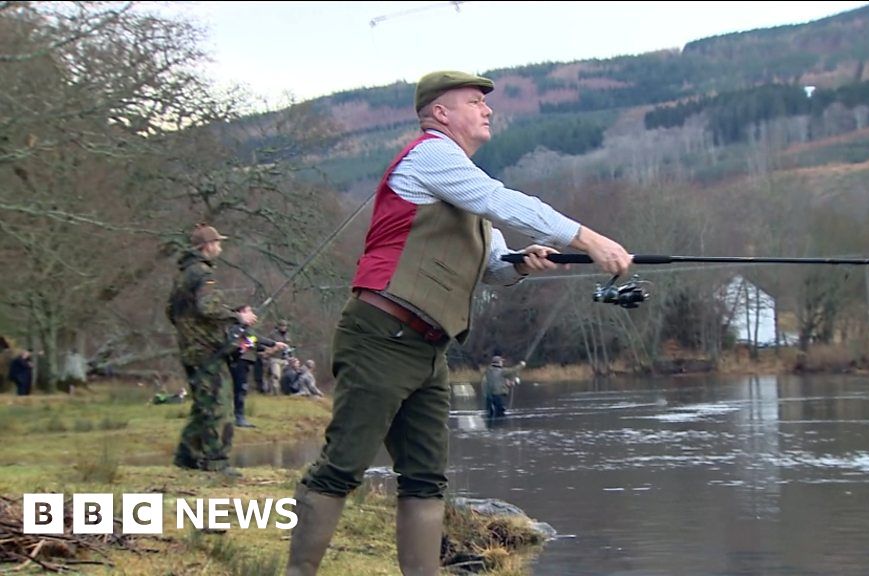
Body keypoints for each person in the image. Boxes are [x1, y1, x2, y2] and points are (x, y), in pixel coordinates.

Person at [285, 70, 632, 576]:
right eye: (475, 101)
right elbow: (503, 200)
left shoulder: (464, 190)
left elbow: (492, 269)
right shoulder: (430, 155)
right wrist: (589, 239)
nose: (488, 109)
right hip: (382, 335)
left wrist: (522, 263)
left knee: (426, 480)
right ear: (440, 113)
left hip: (429, 349)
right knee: (343, 466)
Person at [166, 223, 284, 476]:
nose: (220, 247)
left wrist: (192, 332)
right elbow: (208, 307)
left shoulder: (183, 275)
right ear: (207, 246)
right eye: (217, 242)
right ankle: (216, 463)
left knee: (203, 405)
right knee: (220, 406)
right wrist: (238, 318)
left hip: (190, 349)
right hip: (206, 351)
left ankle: (186, 458)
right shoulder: (202, 273)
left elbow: (171, 311)